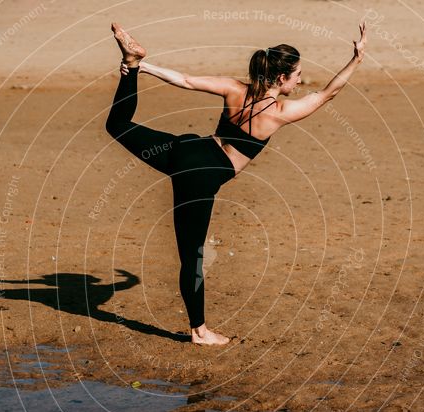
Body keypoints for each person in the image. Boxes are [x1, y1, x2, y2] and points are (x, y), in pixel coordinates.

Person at [106, 22, 367, 346]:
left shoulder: (235, 89)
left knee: (117, 124)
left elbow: (185, 80)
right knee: (192, 257)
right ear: (282, 78)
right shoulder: (279, 112)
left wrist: (143, 67)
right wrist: (356, 60)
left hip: (186, 149)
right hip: (201, 175)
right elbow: (329, 93)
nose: (301, 79)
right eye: (297, 74)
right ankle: (200, 332)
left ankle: (129, 65)